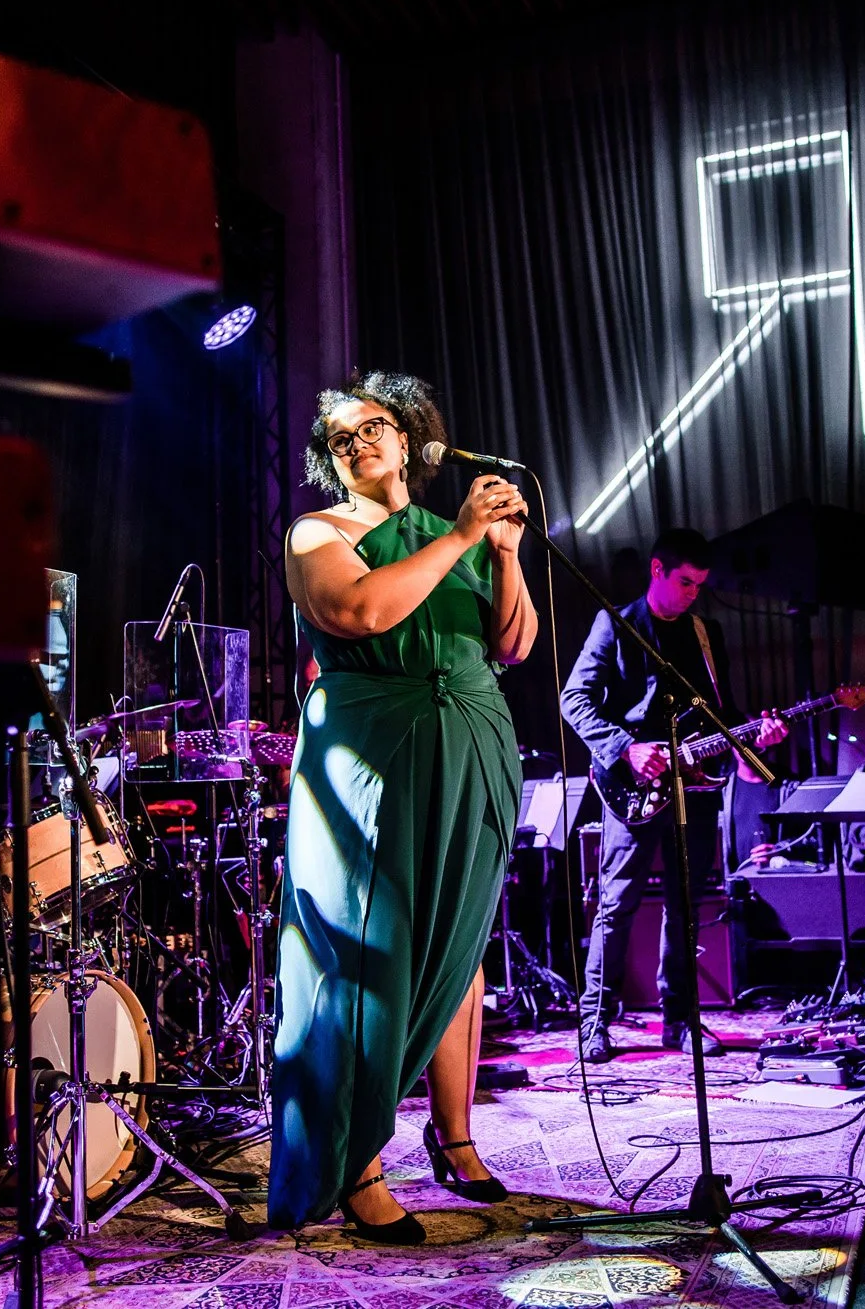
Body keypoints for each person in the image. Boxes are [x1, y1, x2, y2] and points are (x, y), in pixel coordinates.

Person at [269, 372, 537, 1243]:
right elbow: (358, 608)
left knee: (459, 953)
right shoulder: (322, 530)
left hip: (469, 742)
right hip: (372, 754)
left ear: (408, 436)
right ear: (330, 461)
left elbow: (513, 642)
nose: (361, 443)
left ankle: (454, 1135)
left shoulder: (445, 534)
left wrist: (501, 553)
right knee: (370, 957)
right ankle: (356, 1164)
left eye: (375, 426)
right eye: (343, 438)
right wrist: (463, 534)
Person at [560, 528, 787, 1064]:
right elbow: (575, 698)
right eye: (685, 582)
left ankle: (680, 1021)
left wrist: (755, 737)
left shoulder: (705, 633)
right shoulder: (615, 624)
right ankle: (595, 1023)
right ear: (657, 571)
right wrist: (626, 749)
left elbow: (720, 714)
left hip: (697, 789)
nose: (693, 594)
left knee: (686, 908)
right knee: (616, 905)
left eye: (701, 585)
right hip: (633, 788)